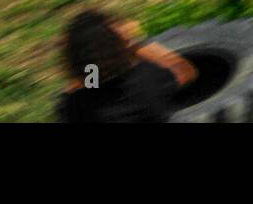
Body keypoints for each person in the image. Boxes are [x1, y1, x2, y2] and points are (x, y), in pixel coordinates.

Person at [58, 10, 197, 122]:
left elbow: (91, 85)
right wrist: (135, 43)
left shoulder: (76, 104)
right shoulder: (148, 78)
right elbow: (185, 72)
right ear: (119, 45)